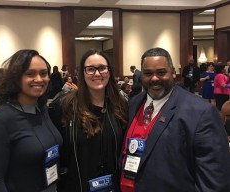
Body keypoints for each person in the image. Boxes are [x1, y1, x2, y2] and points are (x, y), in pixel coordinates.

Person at [120, 47, 230, 192]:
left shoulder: (201, 112)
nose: (154, 78)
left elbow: (215, 177)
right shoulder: (133, 103)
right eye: (148, 73)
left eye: (161, 72)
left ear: (173, 72)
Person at [49, 48, 128, 192]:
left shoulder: (121, 106)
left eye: (102, 68)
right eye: (90, 69)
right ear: (82, 73)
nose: (97, 73)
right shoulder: (64, 106)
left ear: (109, 72)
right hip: (76, 186)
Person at [0, 49, 63, 192]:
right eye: (30, 74)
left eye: (43, 73)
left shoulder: (43, 110)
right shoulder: (0, 121)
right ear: (16, 78)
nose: (39, 79)